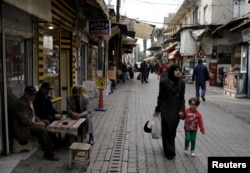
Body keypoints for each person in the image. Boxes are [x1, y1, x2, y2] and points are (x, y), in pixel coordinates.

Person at [11, 85, 59, 161]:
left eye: (34, 94)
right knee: (41, 129)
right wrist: (38, 124)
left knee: (46, 122)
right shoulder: (21, 104)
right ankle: (48, 151)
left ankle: (50, 143)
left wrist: (39, 120)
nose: (32, 96)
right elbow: (25, 121)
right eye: (30, 94)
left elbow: (33, 115)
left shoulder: (29, 101)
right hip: (23, 128)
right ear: (25, 94)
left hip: (30, 124)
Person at [154, 64, 185, 160]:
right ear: (171, 71)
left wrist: (182, 109)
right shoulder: (163, 82)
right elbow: (160, 97)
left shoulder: (182, 83)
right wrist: (157, 109)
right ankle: (169, 152)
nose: (178, 72)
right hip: (166, 108)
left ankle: (168, 148)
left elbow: (182, 98)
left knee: (172, 131)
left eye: (179, 70)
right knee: (167, 129)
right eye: (176, 70)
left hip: (176, 110)